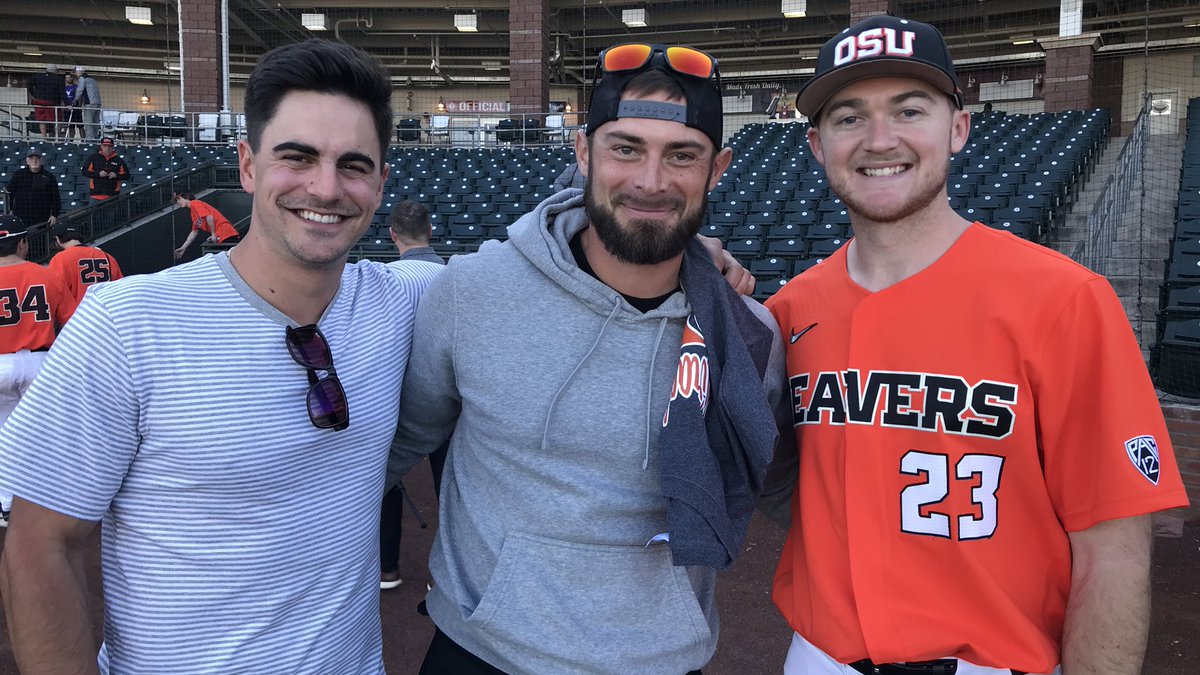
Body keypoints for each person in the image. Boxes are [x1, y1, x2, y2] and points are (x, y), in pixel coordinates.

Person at [762, 15, 1190, 675]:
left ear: (957, 129)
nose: (880, 139)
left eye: (909, 109)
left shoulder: (1064, 300)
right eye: (849, 117)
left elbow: (1114, 550)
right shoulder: (789, 312)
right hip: (821, 658)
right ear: (817, 145)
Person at [0, 39, 434, 674]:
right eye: (297, 156)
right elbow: (41, 546)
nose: (325, 186)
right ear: (249, 166)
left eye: (354, 164)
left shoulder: (401, 300)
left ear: (380, 183)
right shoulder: (127, 324)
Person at [388, 43, 789, 674]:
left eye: (681, 155)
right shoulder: (470, 292)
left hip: (661, 658)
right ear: (583, 153)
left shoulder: (747, 334)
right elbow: (392, 448)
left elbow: (790, 492)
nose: (650, 181)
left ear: (718, 170)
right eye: (625, 148)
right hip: (482, 652)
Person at [379, 198, 446, 591]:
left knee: (384, 482)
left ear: (392, 235)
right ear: (430, 231)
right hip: (450, 402)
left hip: (398, 399)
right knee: (452, 491)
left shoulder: (382, 279)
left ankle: (387, 568)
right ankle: (445, 577)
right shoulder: (458, 275)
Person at [0, 215, 78, 527]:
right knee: (46, 435)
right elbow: (73, 322)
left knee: (3, 437)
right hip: (40, 363)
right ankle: (52, 501)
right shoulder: (45, 274)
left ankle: (6, 505)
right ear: (21, 243)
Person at [48, 226, 124, 302]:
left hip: (80, 311)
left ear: (57, 239)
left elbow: (54, 291)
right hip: (107, 310)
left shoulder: (60, 258)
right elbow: (120, 287)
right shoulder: (107, 256)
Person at [172, 192, 241, 259]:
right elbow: (194, 232)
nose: (178, 202)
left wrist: (213, 234)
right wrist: (183, 247)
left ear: (185, 197)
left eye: (179, 199)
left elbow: (209, 216)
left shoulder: (195, 203)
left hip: (226, 233)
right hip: (221, 236)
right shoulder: (193, 213)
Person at [5, 148, 60, 227]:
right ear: (27, 161)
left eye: (37, 158)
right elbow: (9, 192)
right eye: (31, 159)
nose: (34, 161)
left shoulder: (49, 177)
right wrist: (10, 209)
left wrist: (54, 215)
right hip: (21, 217)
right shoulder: (18, 174)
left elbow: (56, 198)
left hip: (41, 218)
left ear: (41, 161)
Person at [81, 137, 128, 203]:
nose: (107, 148)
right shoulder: (93, 158)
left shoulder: (119, 160)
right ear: (101, 146)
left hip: (112, 196)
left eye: (110, 146)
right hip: (95, 195)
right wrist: (98, 174)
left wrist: (116, 175)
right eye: (105, 146)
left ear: (113, 147)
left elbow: (127, 175)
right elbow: (84, 171)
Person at [27, 64, 65, 137]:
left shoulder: (38, 76)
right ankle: (57, 136)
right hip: (51, 102)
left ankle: (44, 137)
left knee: (42, 120)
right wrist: (67, 103)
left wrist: (33, 94)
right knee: (58, 119)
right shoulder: (58, 78)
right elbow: (62, 92)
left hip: (39, 101)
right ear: (55, 71)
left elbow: (28, 83)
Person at [73, 66, 102, 140]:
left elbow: (80, 90)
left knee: (88, 123)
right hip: (97, 103)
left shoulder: (82, 78)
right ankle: (95, 138)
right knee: (95, 123)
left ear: (79, 72)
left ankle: (89, 141)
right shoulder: (93, 79)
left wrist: (75, 99)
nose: (75, 74)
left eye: (75, 72)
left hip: (89, 103)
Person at [62, 73, 85, 141]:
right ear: (65, 79)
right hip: (67, 110)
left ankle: (83, 141)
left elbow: (80, 97)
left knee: (80, 126)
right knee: (71, 127)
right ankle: (71, 141)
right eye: (68, 77)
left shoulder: (76, 87)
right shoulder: (64, 88)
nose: (70, 79)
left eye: (71, 77)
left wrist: (79, 105)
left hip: (76, 109)